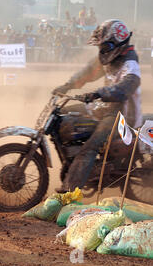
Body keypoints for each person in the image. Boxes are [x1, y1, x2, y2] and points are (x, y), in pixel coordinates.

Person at [51, 19, 142, 193]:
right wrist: (67, 85)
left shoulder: (130, 65)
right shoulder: (109, 57)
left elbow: (125, 88)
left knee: (91, 146)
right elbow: (87, 73)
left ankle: (70, 190)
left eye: (105, 46)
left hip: (122, 115)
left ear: (116, 43)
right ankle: (70, 160)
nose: (101, 50)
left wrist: (99, 93)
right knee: (63, 114)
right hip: (105, 106)